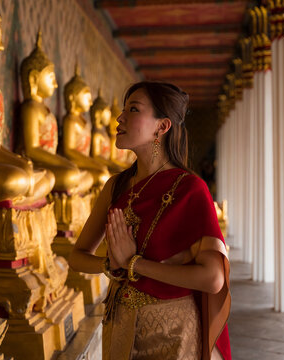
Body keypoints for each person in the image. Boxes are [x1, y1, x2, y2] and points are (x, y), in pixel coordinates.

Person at [68, 81, 231, 360]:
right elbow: (77, 256)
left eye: (133, 109)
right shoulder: (116, 187)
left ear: (162, 126)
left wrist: (135, 263)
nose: (120, 118)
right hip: (120, 324)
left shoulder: (189, 189)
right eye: (124, 109)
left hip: (172, 331)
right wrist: (110, 266)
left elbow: (213, 278)